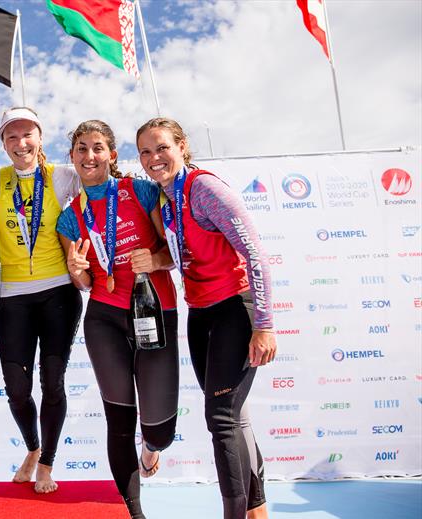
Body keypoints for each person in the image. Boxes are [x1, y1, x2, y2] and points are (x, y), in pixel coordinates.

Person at [136, 117, 276, 519]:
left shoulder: (205, 188)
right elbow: (181, 257)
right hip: (200, 314)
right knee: (235, 418)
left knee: (221, 418)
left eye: (161, 147)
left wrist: (264, 325)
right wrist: (156, 260)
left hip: (235, 308)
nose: (153, 158)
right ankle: (257, 511)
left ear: (181, 146)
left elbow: (257, 257)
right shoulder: (166, 199)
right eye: (145, 151)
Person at [56, 120, 179, 519]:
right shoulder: (70, 216)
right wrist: (76, 269)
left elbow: (174, 250)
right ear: (72, 156)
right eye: (80, 149)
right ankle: (133, 511)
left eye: (97, 148)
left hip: (154, 310)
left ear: (111, 155)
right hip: (105, 317)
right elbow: (86, 281)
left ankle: (152, 447)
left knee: (159, 427)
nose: (88, 156)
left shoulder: (139, 191)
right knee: (119, 419)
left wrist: (156, 259)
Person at [0, 107, 83, 493]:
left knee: (53, 382)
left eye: (27, 134)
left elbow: (104, 183)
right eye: (11, 137)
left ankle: (46, 463)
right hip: (13, 296)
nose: (20, 143)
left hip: (58, 293)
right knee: (16, 387)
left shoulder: (63, 177)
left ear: (40, 137)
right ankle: (32, 448)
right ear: (3, 144)